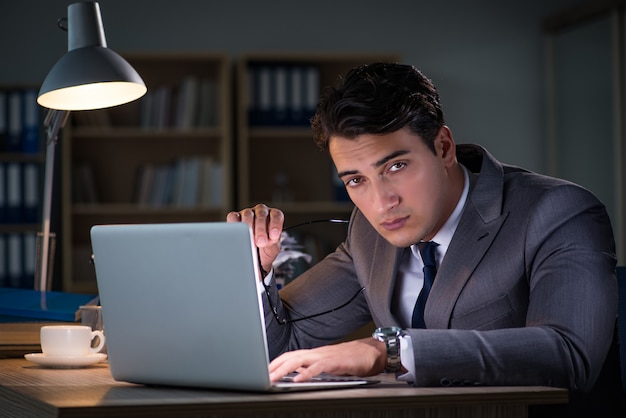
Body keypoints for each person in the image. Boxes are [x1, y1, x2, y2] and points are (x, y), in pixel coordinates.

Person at [227, 62, 625, 417]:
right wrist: (257, 271)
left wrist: (390, 352)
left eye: (396, 166)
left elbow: (570, 355)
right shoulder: (369, 232)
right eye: (356, 180)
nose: (382, 202)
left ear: (444, 147)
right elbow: (283, 346)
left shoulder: (558, 210)